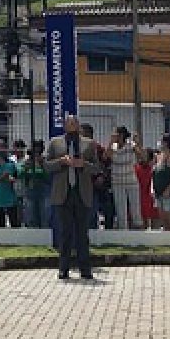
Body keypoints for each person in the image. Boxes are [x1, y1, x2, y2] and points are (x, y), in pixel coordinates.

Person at [44, 114, 98, 281]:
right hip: (62, 193)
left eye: (74, 123)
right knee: (65, 233)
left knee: (82, 233)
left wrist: (84, 165)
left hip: (82, 193)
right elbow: (46, 165)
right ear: (64, 126)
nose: (72, 126)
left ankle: (85, 269)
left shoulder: (89, 144)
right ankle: (63, 268)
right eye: (69, 123)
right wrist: (61, 161)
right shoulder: (55, 143)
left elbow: (97, 167)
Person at [109, 127, 144, 230]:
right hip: (117, 182)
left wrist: (137, 144)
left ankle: (138, 230)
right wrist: (110, 142)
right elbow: (105, 156)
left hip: (131, 181)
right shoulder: (113, 146)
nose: (117, 136)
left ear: (123, 135)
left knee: (135, 207)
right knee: (121, 209)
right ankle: (122, 231)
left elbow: (141, 156)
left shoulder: (130, 145)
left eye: (118, 134)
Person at [18, 141, 50, 228]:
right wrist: (27, 168)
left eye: (38, 150)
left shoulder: (45, 161)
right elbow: (20, 175)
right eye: (34, 150)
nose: (36, 152)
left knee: (45, 216)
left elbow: (48, 177)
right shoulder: (26, 162)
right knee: (30, 216)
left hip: (44, 193)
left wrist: (42, 165)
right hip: (30, 192)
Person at [135, 148, 158, 230]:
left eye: (145, 154)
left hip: (150, 196)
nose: (142, 155)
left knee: (152, 219)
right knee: (140, 219)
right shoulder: (136, 168)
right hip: (139, 196)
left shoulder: (153, 169)